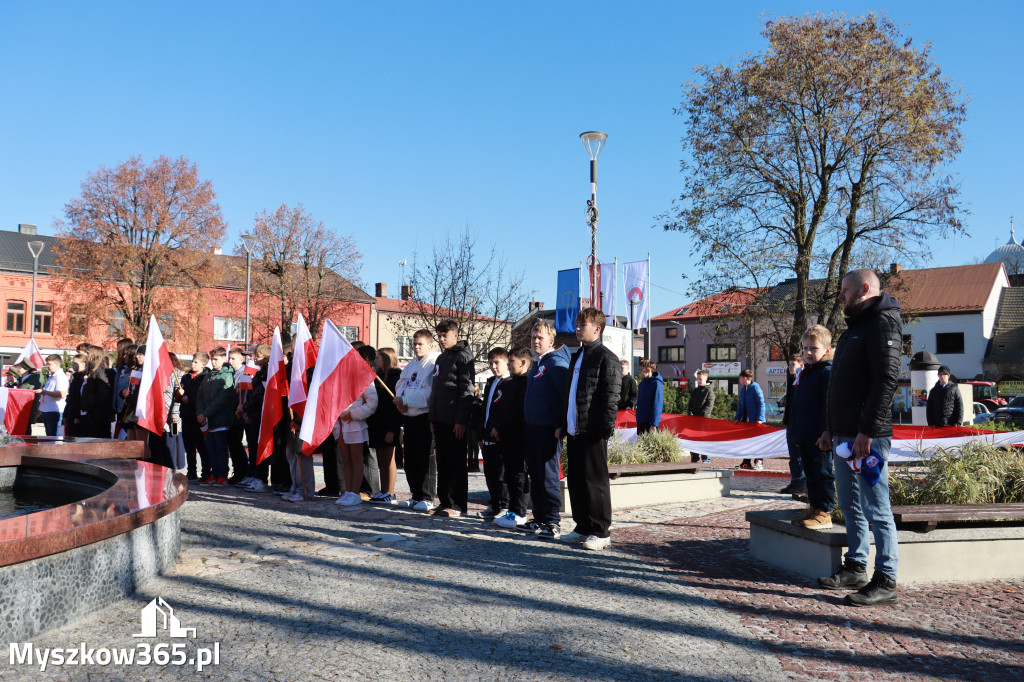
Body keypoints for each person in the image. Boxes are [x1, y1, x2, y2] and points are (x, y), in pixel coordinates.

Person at [817, 268, 902, 607]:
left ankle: (886, 579)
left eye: (845, 290)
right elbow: (838, 384)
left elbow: (886, 381)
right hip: (843, 436)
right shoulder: (854, 328)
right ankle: (855, 567)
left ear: (864, 289)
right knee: (850, 505)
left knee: (876, 507)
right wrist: (829, 428)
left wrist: (867, 431)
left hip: (868, 438)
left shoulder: (884, 324)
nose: (840, 296)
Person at [557, 308, 621, 551]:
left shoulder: (607, 358)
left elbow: (611, 397)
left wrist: (604, 430)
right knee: (577, 481)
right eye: (577, 324)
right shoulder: (577, 355)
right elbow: (570, 394)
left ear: (597, 328)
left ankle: (601, 531)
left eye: (583, 325)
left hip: (593, 431)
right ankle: (582, 526)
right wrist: (563, 424)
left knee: (595, 482)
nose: (578, 328)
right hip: (575, 429)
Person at [523, 320, 571, 539]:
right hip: (532, 427)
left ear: (551, 341)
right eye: (533, 337)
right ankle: (539, 518)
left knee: (548, 475)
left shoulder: (555, 363)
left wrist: (561, 424)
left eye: (540, 338)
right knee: (535, 474)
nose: (535, 341)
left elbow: (564, 396)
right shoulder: (537, 362)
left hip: (548, 429)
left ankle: (552, 522)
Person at [427, 319, 475, 518]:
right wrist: (432, 417)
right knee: (444, 463)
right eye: (438, 335)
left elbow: (467, 390)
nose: (441, 339)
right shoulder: (441, 358)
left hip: (455, 421)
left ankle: (457, 505)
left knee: (456, 464)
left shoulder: (464, 358)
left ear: (455, 335)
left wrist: (461, 420)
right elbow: (436, 390)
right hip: (440, 419)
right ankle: (444, 501)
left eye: (444, 335)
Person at [788, 326, 834, 529]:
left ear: (826, 349)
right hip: (805, 433)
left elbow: (829, 404)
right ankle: (814, 507)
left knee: (822, 472)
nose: (808, 353)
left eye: (813, 348)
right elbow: (800, 405)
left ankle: (825, 511)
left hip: (819, 435)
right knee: (810, 473)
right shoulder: (806, 373)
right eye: (805, 348)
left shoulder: (827, 372)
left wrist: (826, 431)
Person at [394, 329, 440, 512]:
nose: (416, 347)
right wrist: (399, 400)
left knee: (425, 458)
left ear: (430, 344)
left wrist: (406, 400)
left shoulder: (434, 363)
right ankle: (416, 495)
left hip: (424, 416)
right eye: (414, 344)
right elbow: (401, 383)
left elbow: (430, 393)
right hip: (409, 415)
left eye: (420, 344)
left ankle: (427, 496)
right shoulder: (411, 365)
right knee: (410, 458)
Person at [491, 347, 531, 530]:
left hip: (518, 436)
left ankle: (520, 513)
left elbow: (517, 412)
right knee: (509, 474)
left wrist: (501, 426)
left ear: (523, 363)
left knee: (518, 476)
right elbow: (501, 408)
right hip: (505, 436)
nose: (508, 365)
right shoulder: (509, 383)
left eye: (512, 361)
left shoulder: (525, 384)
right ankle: (512, 510)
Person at [334, 345, 380, 507]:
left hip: (354, 424)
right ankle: (348, 491)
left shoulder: (365, 377)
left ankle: (355, 492)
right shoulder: (342, 376)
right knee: (345, 459)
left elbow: (372, 403)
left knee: (356, 458)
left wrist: (353, 414)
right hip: (340, 423)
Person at [195, 346, 236, 485]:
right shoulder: (209, 375)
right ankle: (215, 473)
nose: (213, 362)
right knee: (210, 449)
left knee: (220, 448)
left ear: (224, 359)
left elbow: (223, 399)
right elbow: (199, 395)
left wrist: (205, 413)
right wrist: (200, 413)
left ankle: (222, 475)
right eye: (212, 360)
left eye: (216, 359)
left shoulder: (227, 376)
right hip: (207, 420)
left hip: (220, 419)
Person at [478, 347, 511, 520]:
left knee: (501, 474)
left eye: (497, 363)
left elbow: (506, 410)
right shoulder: (491, 382)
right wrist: (480, 434)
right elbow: (486, 408)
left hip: (501, 436)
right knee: (489, 472)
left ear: (507, 362)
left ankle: (505, 505)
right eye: (490, 363)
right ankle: (495, 503)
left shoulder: (510, 383)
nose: (493, 366)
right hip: (487, 435)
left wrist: (500, 428)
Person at [367, 347, 402, 504]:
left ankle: (391, 492)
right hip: (377, 423)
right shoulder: (377, 376)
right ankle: (383, 490)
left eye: (378, 357)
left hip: (389, 423)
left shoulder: (396, 376)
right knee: (381, 459)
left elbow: (394, 406)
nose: (375, 360)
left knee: (389, 459)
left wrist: (392, 429)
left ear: (387, 359)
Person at [239, 344, 272, 492]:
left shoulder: (267, 372)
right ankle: (256, 476)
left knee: (259, 448)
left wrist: (245, 408)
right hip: (254, 414)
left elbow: (259, 397)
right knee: (254, 447)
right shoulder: (261, 372)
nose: (254, 358)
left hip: (261, 415)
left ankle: (261, 479)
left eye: (257, 355)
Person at [180, 352, 210, 481]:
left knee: (201, 445)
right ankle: (191, 471)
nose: (193, 364)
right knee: (189, 445)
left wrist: (189, 399)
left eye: (196, 362)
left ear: (203, 364)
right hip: (186, 414)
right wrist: (179, 395)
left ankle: (206, 472)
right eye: (192, 361)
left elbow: (203, 396)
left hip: (198, 415)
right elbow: (181, 394)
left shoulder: (205, 377)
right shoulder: (186, 377)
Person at [780, 353, 807, 495]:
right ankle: (795, 481)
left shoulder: (802, 381)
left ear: (801, 366)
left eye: (793, 364)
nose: (790, 367)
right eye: (789, 364)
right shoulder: (792, 381)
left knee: (799, 457)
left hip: (798, 424)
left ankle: (801, 484)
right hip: (790, 423)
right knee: (793, 457)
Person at [79, 345, 114, 438]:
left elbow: (103, 395)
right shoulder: (91, 371)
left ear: (94, 355)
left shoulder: (100, 371)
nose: (85, 355)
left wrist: (95, 412)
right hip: (90, 414)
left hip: (98, 416)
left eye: (87, 353)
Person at [226, 347, 250, 484]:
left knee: (236, 442)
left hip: (240, 414)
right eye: (230, 358)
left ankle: (242, 471)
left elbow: (244, 394)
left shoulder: (245, 373)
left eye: (233, 358)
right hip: (233, 413)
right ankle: (238, 471)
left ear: (242, 358)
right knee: (232, 443)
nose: (231, 361)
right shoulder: (233, 373)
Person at [734, 369, 765, 470]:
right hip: (746, 421)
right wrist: (737, 417)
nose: (740, 379)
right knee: (747, 442)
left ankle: (759, 461)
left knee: (758, 441)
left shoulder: (755, 387)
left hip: (755, 421)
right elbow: (741, 405)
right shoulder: (743, 389)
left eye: (740, 377)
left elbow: (761, 403)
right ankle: (746, 462)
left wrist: (760, 418)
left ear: (745, 378)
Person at [36, 355, 69, 436]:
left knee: (54, 435)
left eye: (49, 364)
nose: (47, 367)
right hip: (47, 409)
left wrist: (45, 392)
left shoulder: (60, 376)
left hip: (54, 410)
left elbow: (62, 394)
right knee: (49, 434)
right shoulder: (52, 376)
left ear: (56, 364)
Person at [687, 369, 715, 463]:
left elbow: (708, 407)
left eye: (701, 378)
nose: (699, 380)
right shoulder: (695, 391)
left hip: (703, 421)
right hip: (693, 420)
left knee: (704, 440)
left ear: (706, 379)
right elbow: (690, 404)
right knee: (693, 440)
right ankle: (694, 458)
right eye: (698, 378)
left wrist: (700, 417)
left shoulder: (709, 392)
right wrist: (690, 413)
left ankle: (706, 459)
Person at [635, 361, 663, 435]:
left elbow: (657, 405)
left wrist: (654, 424)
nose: (639, 372)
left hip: (650, 423)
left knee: (650, 446)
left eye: (641, 369)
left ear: (648, 370)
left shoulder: (656, 384)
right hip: (641, 421)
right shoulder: (642, 384)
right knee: (640, 445)